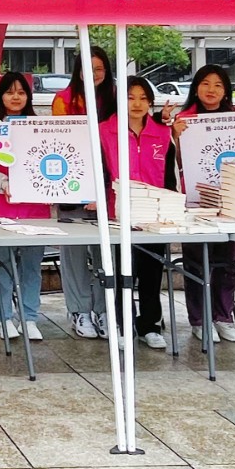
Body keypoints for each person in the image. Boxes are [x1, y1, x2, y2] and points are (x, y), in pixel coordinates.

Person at [169, 63, 235, 343]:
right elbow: (176, 164)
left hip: (231, 201)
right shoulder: (183, 120)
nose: (211, 90)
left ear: (226, 91)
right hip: (196, 200)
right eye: (205, 84)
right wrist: (175, 137)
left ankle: (223, 316)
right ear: (196, 88)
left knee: (228, 261)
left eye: (218, 85)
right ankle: (200, 319)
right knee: (196, 262)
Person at [99, 76, 174, 350]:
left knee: (152, 271)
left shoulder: (162, 133)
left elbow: (169, 176)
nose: (137, 104)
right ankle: (122, 324)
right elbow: (100, 170)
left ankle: (150, 325)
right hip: (118, 212)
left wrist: (170, 206)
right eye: (130, 97)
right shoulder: (105, 131)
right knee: (121, 272)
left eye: (143, 98)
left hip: (154, 213)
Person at [52, 47, 117, 339]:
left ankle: (105, 310)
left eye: (99, 68)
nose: (94, 74)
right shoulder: (64, 100)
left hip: (109, 186)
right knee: (74, 252)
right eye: (88, 68)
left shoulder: (116, 97)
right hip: (72, 185)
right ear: (78, 71)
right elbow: (60, 141)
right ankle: (79, 310)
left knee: (106, 253)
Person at [0, 72, 47, 342]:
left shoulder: (40, 127)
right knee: (2, 265)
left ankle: (29, 317)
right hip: (0, 205)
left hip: (34, 208)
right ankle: (4, 317)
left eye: (21, 92)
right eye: (10, 92)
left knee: (32, 266)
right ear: (1, 96)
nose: (16, 97)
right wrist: (4, 183)